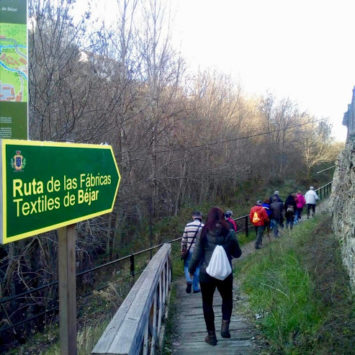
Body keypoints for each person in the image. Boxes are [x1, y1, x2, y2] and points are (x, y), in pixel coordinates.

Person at [189, 207, 242, 346]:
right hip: (225, 273)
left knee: (207, 303)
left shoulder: (204, 232)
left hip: (206, 274)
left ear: (209, 218)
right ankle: (225, 326)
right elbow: (238, 253)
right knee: (227, 299)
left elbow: (196, 255)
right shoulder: (229, 233)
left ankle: (211, 336)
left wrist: (191, 269)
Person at [181, 211, 204, 294]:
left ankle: (188, 280)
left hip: (189, 250)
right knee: (197, 267)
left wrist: (183, 250)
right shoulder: (203, 226)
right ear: (200, 217)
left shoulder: (188, 225)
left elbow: (184, 240)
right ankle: (195, 288)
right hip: (199, 251)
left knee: (187, 266)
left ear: (193, 217)